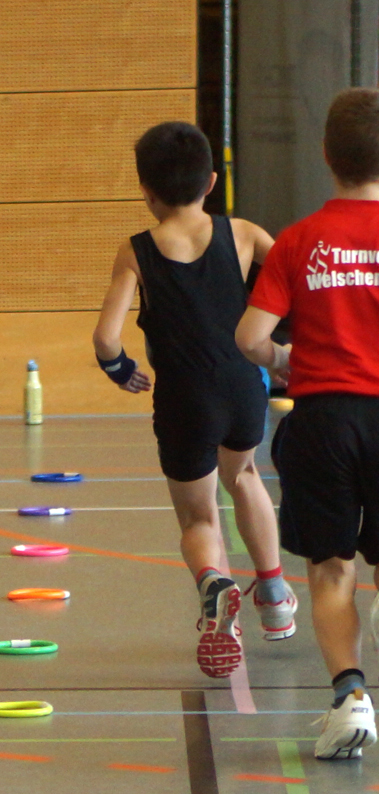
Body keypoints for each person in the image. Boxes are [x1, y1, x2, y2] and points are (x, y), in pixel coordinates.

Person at [92, 120, 294, 681]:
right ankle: (274, 595)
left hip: (183, 398)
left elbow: (106, 338)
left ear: (146, 191)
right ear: (210, 182)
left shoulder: (136, 250)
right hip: (242, 385)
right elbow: (298, 280)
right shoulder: (244, 233)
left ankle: (214, 582)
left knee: (199, 515)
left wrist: (121, 370)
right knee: (245, 475)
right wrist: (285, 348)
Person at [239, 87, 379, 759]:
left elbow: (249, 337)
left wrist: (283, 360)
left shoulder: (299, 240)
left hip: (325, 420)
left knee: (329, 567)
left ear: (326, 156)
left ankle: (350, 698)